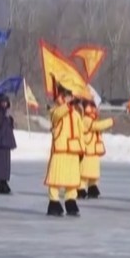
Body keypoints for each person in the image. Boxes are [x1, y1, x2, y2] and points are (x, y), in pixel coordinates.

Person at [44, 87, 83, 217]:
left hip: (73, 149)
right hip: (60, 150)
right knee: (56, 178)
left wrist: (82, 150)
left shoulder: (76, 114)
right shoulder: (55, 110)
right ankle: (54, 202)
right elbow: (57, 115)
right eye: (66, 96)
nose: (69, 99)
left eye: (70, 96)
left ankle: (71, 201)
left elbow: (80, 132)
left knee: (72, 179)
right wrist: (68, 105)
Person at [77, 99, 114, 199]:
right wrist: (110, 121)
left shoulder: (92, 119)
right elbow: (96, 126)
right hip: (87, 150)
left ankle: (92, 187)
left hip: (94, 150)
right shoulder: (85, 119)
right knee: (84, 173)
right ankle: (80, 189)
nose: (93, 109)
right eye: (90, 107)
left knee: (94, 173)